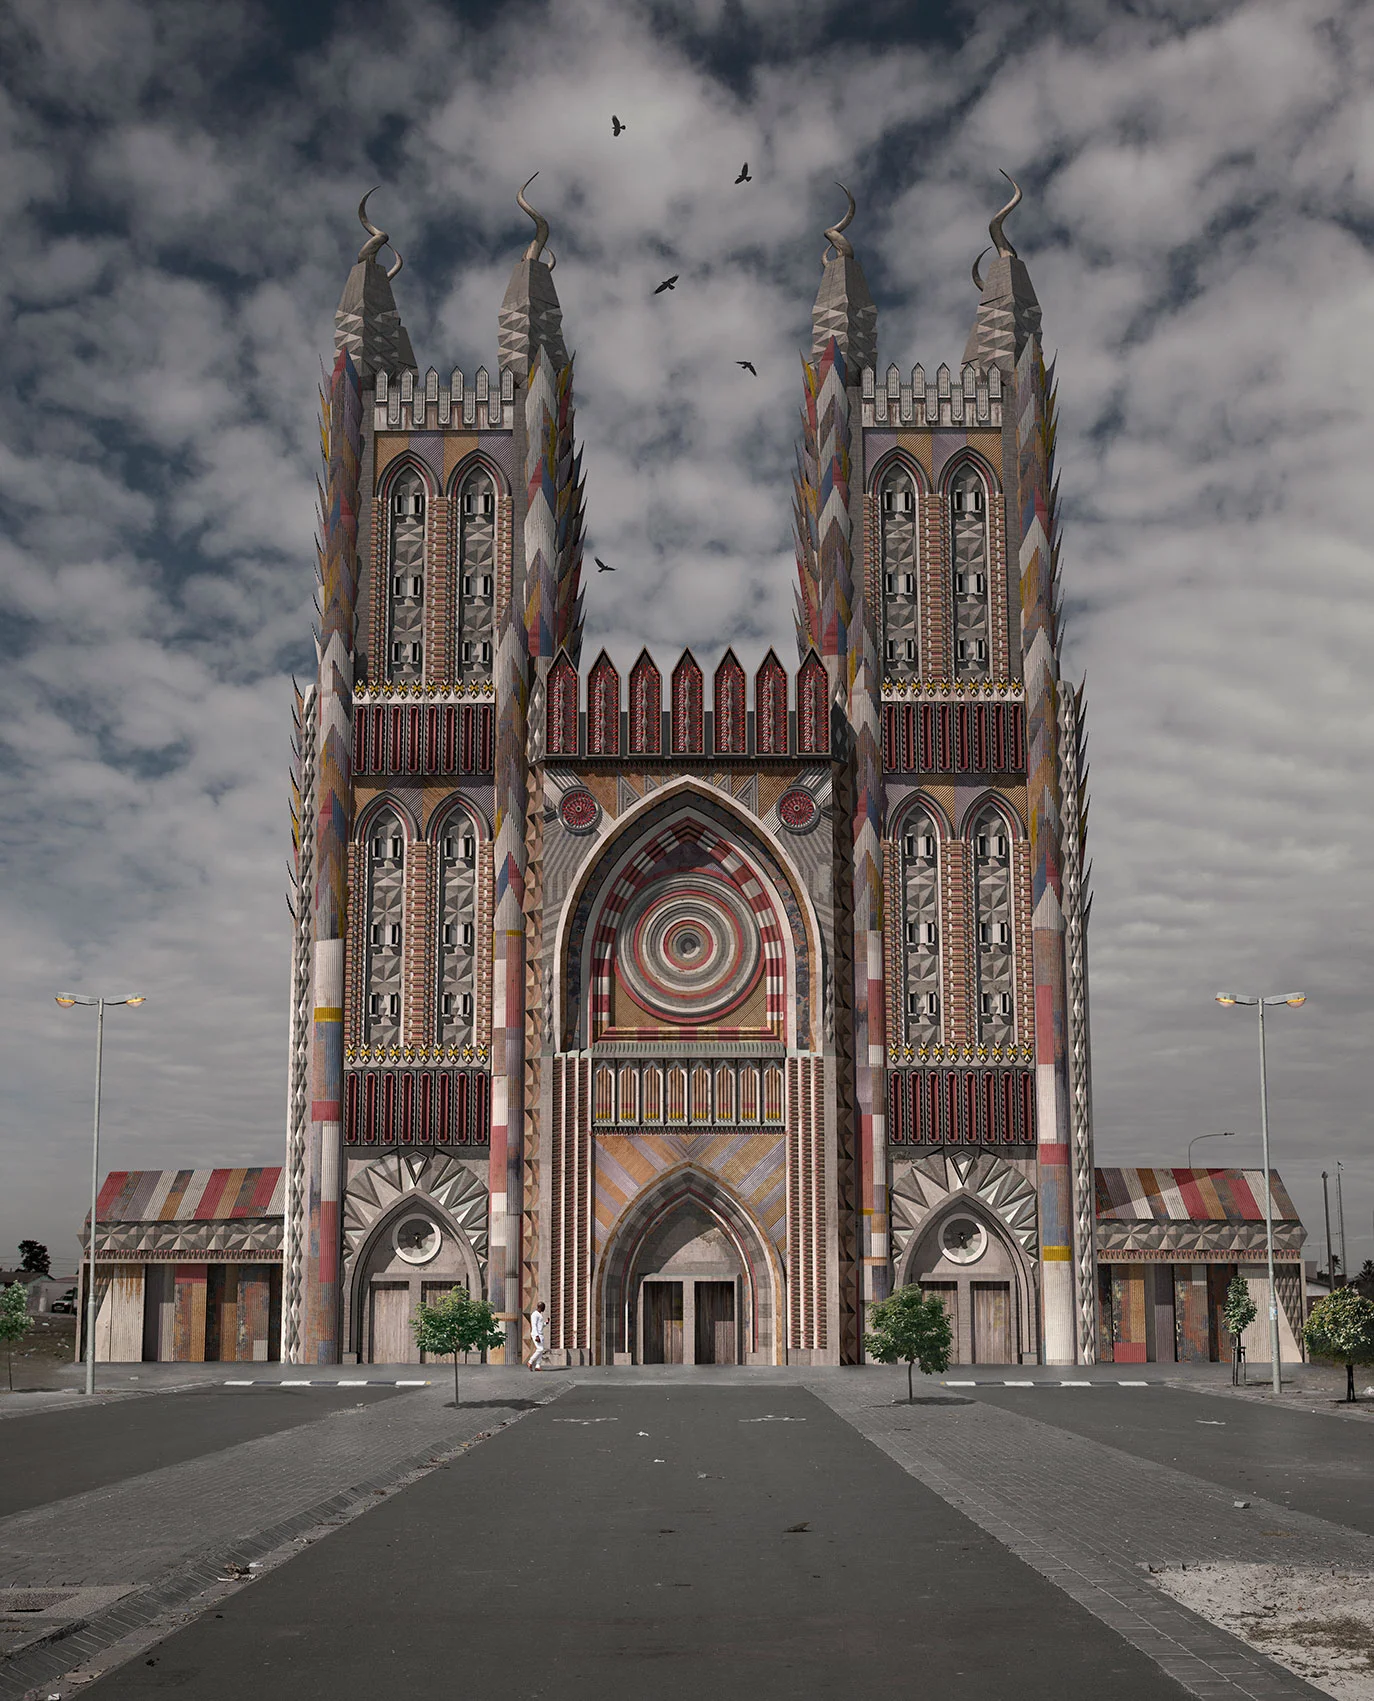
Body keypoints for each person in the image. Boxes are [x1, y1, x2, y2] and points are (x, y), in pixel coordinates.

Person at [527, 1300, 548, 1371]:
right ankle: (530, 1361)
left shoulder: (539, 1314)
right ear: (540, 1307)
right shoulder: (534, 1314)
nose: (544, 1309)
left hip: (540, 1334)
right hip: (537, 1334)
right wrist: (536, 1336)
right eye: (543, 1307)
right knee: (540, 1349)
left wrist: (545, 1323)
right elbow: (534, 1325)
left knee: (541, 1351)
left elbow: (540, 1326)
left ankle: (538, 1366)